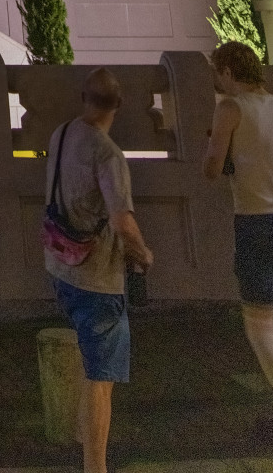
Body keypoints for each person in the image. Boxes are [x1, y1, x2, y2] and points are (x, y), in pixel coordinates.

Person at [44, 68, 154, 473]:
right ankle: (95, 465)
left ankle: (81, 431)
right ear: (118, 105)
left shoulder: (61, 134)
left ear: (83, 98)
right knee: (101, 378)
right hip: (97, 278)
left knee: (90, 355)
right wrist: (143, 254)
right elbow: (123, 222)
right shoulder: (108, 154)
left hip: (60, 263)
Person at [203, 38, 273, 410]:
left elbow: (211, 167)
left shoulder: (230, 108)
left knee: (260, 326)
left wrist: (220, 152)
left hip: (257, 223)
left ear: (227, 71)